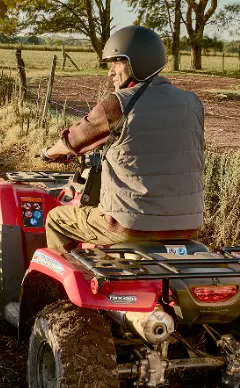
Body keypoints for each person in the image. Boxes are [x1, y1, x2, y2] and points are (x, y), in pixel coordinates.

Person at [40, 25, 206, 252]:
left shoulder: (118, 103)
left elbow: (73, 141)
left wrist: (49, 153)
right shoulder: (192, 103)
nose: (110, 71)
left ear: (138, 63)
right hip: (189, 225)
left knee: (57, 220)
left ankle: (59, 286)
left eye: (117, 62)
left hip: (129, 225)